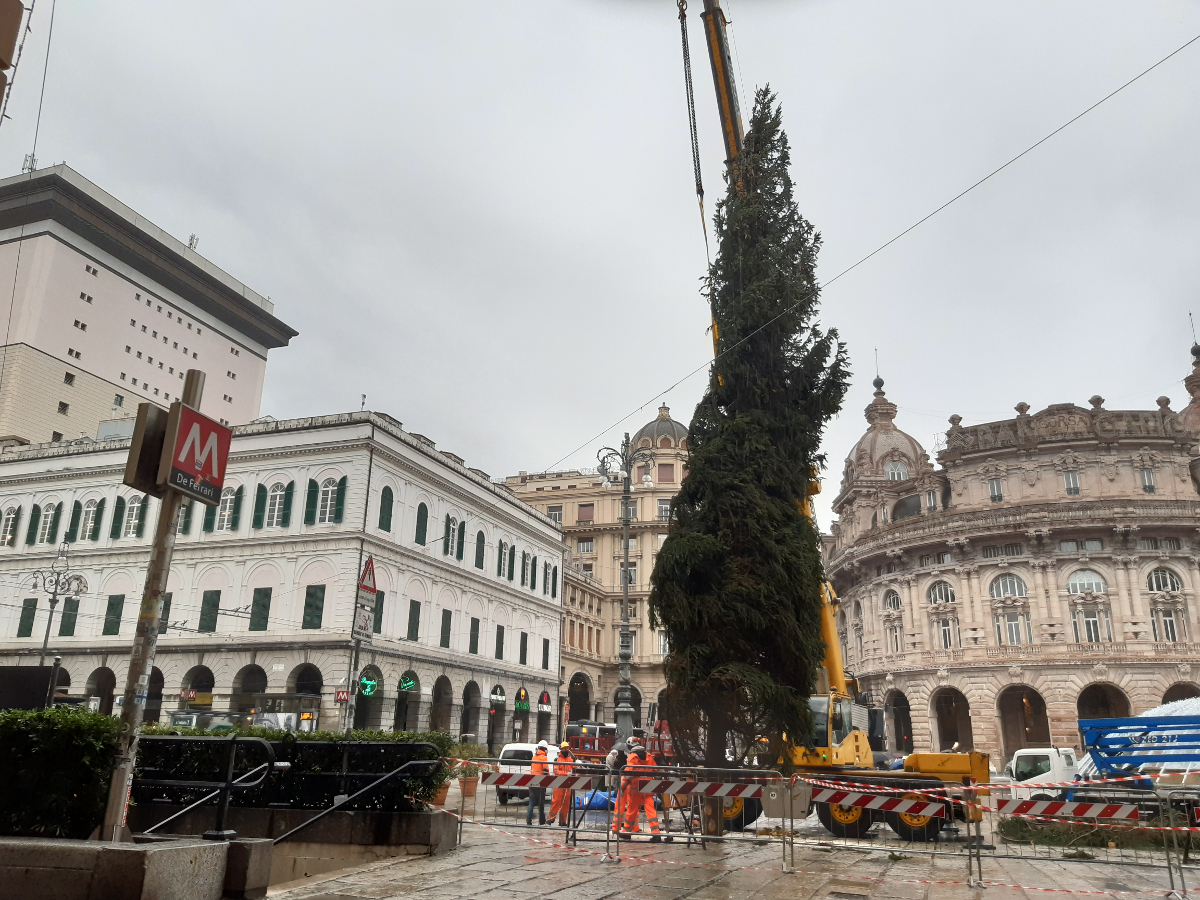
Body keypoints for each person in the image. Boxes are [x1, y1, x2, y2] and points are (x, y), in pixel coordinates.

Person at [616, 740, 662, 841]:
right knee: (651, 810)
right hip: (648, 788)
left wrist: (622, 787)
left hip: (635, 789)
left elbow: (628, 774)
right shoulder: (649, 756)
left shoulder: (632, 757)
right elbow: (656, 771)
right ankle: (656, 833)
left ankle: (627, 833)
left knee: (631, 811)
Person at [551, 740, 575, 826]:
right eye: (564, 748)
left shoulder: (571, 760)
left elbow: (576, 769)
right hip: (559, 784)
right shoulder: (557, 760)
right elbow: (556, 771)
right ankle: (550, 818)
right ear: (561, 749)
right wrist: (566, 774)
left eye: (567, 748)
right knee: (557, 801)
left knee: (566, 803)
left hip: (568, 785)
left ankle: (563, 820)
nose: (566, 750)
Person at [526, 739, 550, 826]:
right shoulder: (544, 757)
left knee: (531, 803)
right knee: (541, 804)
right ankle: (542, 822)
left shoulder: (534, 757)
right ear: (544, 748)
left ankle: (529, 821)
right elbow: (545, 770)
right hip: (540, 783)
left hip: (532, 782)